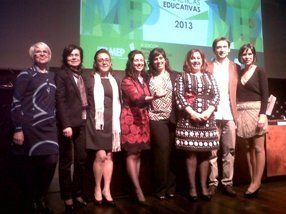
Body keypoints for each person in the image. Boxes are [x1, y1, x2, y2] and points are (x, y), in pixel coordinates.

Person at [10, 42, 58, 213]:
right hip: (30, 126)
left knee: (51, 160)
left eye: (45, 51)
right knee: (32, 165)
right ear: (33, 56)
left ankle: (41, 195)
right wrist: (17, 128)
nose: (42, 54)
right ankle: (33, 199)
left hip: (50, 127)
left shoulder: (53, 76)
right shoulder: (25, 75)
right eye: (38, 52)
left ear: (49, 55)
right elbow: (16, 102)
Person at [174, 49, 220, 201]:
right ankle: (192, 188)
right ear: (188, 61)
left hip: (208, 119)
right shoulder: (183, 76)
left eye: (198, 58)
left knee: (205, 153)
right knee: (191, 154)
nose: (195, 60)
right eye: (192, 58)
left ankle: (203, 187)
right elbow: (179, 96)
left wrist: (209, 110)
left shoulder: (210, 77)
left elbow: (216, 95)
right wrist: (192, 113)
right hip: (188, 120)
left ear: (202, 60)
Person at [120, 50, 161, 205]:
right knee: (131, 154)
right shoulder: (126, 80)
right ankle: (138, 190)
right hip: (130, 121)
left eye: (141, 60)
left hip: (142, 120)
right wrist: (153, 98)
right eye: (136, 60)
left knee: (138, 155)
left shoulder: (144, 79)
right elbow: (136, 98)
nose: (139, 63)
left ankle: (134, 189)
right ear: (131, 62)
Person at [56, 44, 92, 212]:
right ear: (65, 57)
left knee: (82, 160)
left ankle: (77, 193)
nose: (74, 57)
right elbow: (60, 101)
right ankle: (67, 197)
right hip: (68, 125)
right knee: (66, 162)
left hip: (83, 123)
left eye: (77, 55)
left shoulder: (83, 75)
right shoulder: (61, 75)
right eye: (70, 55)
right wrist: (66, 124)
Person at [86, 49, 121, 206]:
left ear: (111, 62)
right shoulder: (91, 80)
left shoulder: (115, 80)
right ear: (96, 63)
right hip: (96, 123)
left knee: (109, 157)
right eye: (101, 60)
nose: (104, 62)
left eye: (107, 59)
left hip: (112, 123)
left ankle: (107, 189)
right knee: (100, 156)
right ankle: (97, 189)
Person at [207, 37, 239, 197]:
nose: (221, 49)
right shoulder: (208, 67)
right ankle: (213, 183)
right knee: (212, 152)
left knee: (229, 151)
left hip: (230, 115)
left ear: (229, 49)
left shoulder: (235, 67)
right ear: (214, 49)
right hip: (212, 115)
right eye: (218, 47)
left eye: (224, 47)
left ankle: (227, 183)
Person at [236, 43, 268, 198]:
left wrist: (263, 114)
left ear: (254, 55)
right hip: (241, 112)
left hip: (256, 112)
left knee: (258, 148)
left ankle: (257, 182)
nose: (246, 57)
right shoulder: (239, 71)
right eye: (244, 54)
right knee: (248, 148)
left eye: (249, 54)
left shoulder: (260, 70)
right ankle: (253, 180)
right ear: (240, 56)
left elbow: (265, 94)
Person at [147, 48, 177, 200]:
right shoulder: (148, 77)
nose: (158, 61)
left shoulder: (174, 75)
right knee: (162, 152)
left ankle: (171, 188)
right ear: (152, 62)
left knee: (172, 153)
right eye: (155, 59)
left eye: (161, 58)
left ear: (165, 59)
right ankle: (160, 188)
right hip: (156, 119)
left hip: (172, 119)